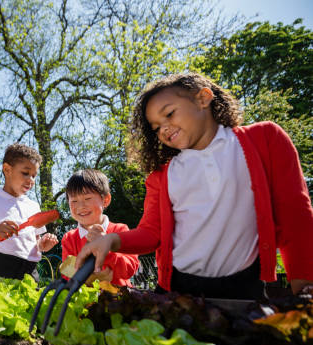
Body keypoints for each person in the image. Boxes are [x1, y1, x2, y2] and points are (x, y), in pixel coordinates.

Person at [75, 72, 313, 299]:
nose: (164, 129)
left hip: (245, 285)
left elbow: (296, 217)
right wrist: (111, 241)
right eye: (156, 127)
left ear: (203, 98)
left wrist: (304, 290)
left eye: (169, 114)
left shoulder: (265, 139)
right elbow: (151, 233)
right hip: (178, 287)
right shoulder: (162, 175)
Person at [0, 143, 59, 282]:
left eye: (34, 175)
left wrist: (42, 245)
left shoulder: (33, 206)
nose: (31, 180)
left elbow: (35, 243)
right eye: (25, 173)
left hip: (29, 272)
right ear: (7, 169)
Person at [61, 169, 139, 287]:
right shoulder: (69, 238)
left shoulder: (120, 230)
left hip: (119, 300)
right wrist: (98, 277)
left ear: (105, 200)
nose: (81, 206)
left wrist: (105, 249)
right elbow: (68, 275)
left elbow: (129, 269)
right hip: (85, 303)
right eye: (74, 201)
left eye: (87, 198)